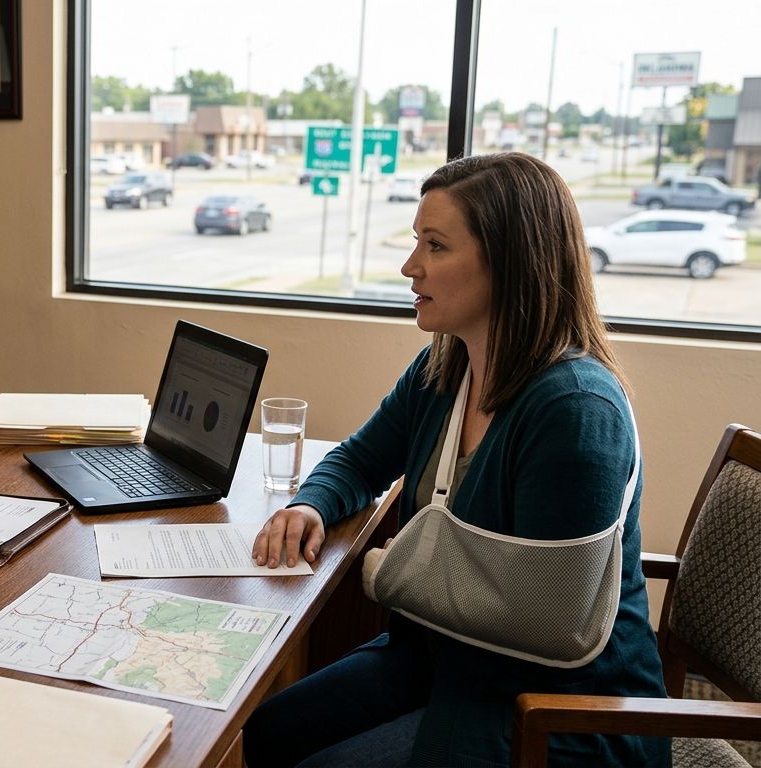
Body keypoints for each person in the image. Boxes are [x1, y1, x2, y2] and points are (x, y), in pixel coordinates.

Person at [243, 153, 668, 767]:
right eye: (417, 242)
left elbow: (551, 620)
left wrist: (391, 572)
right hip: (447, 661)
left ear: (511, 264)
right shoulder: (446, 366)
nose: (410, 267)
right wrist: (311, 502)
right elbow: (360, 459)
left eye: (436, 247)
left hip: (560, 705)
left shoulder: (575, 409)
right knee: (270, 731)